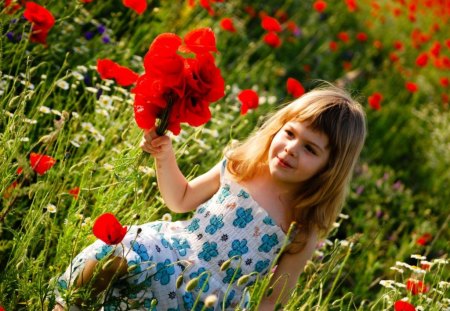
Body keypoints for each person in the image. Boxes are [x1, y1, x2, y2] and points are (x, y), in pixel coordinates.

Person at [53, 84, 366, 310]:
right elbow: (181, 199)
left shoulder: (301, 226)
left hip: (208, 301)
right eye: (290, 133)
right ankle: (66, 306)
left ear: (330, 168)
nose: (291, 149)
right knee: (118, 251)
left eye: (310, 149)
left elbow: (273, 299)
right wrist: (165, 158)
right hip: (172, 254)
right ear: (278, 128)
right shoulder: (240, 168)